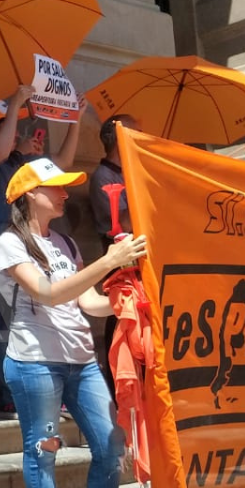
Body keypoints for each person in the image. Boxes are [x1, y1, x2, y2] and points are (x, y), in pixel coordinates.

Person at [0, 157, 157, 488]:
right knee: (43, 450)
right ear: (31, 194)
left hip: (81, 363)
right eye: (57, 187)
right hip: (35, 364)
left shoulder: (66, 244)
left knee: (110, 446)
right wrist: (108, 262)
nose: (66, 193)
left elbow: (87, 303)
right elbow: (47, 294)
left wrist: (124, 301)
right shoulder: (10, 243)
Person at [0, 85, 84, 417]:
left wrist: (75, 121)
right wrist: (14, 102)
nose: (16, 132)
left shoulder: (17, 161)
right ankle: (13, 395)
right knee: (8, 328)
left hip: (27, 251)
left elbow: (62, 164)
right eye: (7, 124)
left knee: (33, 323)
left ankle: (45, 393)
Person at [89, 114, 139, 389]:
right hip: (118, 257)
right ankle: (115, 380)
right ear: (119, 138)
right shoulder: (102, 177)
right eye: (135, 134)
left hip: (138, 256)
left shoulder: (128, 171)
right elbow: (125, 220)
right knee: (119, 315)